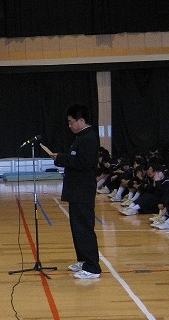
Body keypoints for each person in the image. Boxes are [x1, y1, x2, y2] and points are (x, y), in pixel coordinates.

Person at [50, 104, 101, 280]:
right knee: (77, 227)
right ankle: (84, 260)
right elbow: (75, 159)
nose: (69, 125)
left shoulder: (89, 138)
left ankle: (93, 267)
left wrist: (62, 158)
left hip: (83, 190)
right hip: (76, 190)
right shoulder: (80, 137)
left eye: (71, 122)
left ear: (81, 120)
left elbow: (84, 163)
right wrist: (60, 158)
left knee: (84, 228)